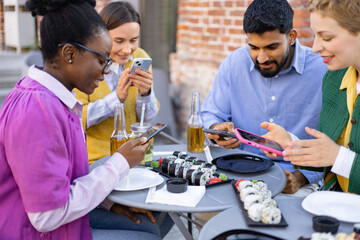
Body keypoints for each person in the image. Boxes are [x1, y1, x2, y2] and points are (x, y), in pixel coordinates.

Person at [0, 0, 162, 239]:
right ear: (69, 54)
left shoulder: (56, 100)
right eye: (101, 60)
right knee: (148, 235)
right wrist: (119, 163)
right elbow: (47, 216)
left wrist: (105, 203)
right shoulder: (37, 110)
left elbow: (66, 180)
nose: (107, 70)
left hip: (67, 225)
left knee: (149, 223)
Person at [201, 0, 328, 194]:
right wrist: (216, 130)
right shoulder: (234, 64)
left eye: (271, 47)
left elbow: (336, 142)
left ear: (292, 37)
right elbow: (211, 114)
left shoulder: (323, 70)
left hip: (298, 180)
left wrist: (301, 178)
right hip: (238, 172)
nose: (261, 58)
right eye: (254, 47)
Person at [261, 0, 360, 194]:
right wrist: (290, 143)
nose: (315, 47)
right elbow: (329, 157)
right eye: (315, 36)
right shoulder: (334, 78)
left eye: (327, 37)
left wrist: (338, 157)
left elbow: (336, 157)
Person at [74, 1, 159, 165]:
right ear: (101, 36)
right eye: (119, 41)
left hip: (134, 159)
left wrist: (146, 93)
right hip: (97, 160)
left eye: (133, 40)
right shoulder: (84, 63)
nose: (127, 49)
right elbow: (77, 119)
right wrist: (116, 99)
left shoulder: (140, 57)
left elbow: (146, 120)